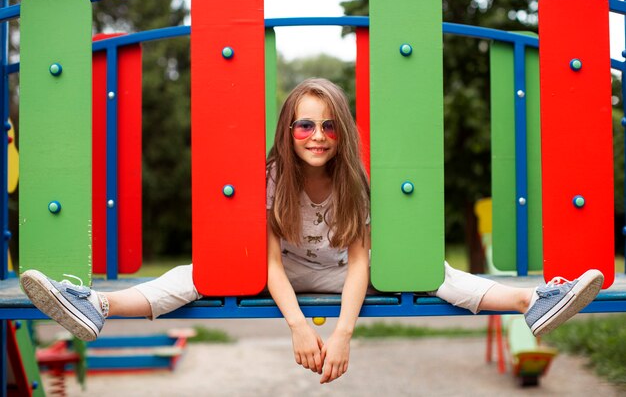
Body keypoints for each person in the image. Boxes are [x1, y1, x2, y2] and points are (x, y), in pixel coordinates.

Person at [20, 78, 604, 384]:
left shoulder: (355, 179)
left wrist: (343, 332)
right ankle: (94, 304)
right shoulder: (272, 176)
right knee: (205, 271)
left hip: (352, 272)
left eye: (328, 124)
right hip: (286, 270)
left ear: (341, 130)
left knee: (430, 269)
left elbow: (360, 260)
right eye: (304, 123)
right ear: (288, 129)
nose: (317, 134)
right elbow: (269, 263)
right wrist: (299, 326)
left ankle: (537, 300)